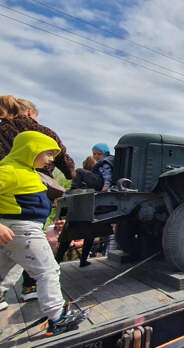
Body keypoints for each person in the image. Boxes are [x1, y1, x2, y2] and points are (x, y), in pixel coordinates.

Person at [0, 131, 87, 335]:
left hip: (18, 230)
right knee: (48, 270)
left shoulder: (25, 170)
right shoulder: (9, 171)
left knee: (7, 271)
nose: (50, 160)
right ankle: (58, 316)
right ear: (31, 150)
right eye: (47, 154)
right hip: (23, 229)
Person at [0, 96, 76, 303]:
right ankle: (41, 297)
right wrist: (70, 176)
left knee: (11, 254)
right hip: (29, 196)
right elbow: (67, 166)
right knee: (45, 266)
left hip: (6, 204)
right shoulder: (41, 132)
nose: (50, 157)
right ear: (31, 113)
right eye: (48, 154)